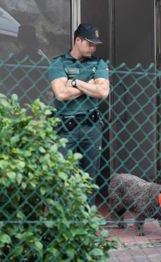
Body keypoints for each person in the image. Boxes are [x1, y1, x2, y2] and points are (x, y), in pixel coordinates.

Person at [47, 23, 110, 205]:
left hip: (91, 129)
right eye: (89, 43)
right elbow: (61, 94)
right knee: (63, 177)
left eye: (95, 44)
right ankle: (64, 221)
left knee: (89, 179)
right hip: (66, 129)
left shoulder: (98, 64)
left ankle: (86, 222)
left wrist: (75, 83)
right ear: (77, 40)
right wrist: (89, 84)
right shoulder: (59, 63)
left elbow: (103, 92)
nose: (93, 47)